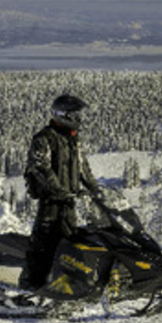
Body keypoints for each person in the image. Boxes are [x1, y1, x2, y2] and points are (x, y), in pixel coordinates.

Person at [19, 94, 100, 290]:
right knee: (42, 247)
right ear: (63, 115)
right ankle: (29, 288)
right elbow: (41, 169)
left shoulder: (72, 140)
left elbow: (83, 168)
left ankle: (65, 288)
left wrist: (97, 191)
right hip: (51, 204)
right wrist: (60, 191)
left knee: (70, 248)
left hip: (69, 204)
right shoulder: (44, 139)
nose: (80, 119)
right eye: (76, 114)